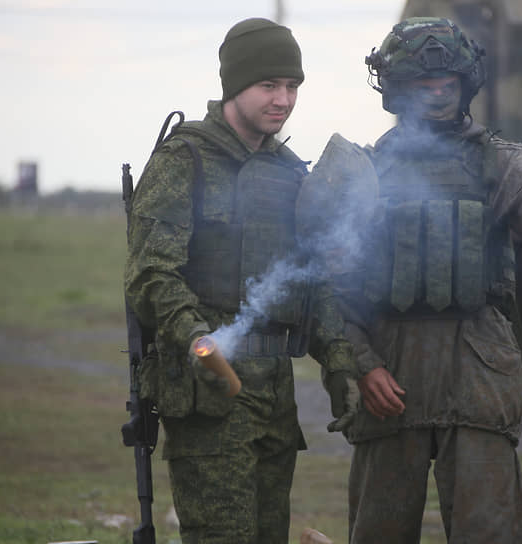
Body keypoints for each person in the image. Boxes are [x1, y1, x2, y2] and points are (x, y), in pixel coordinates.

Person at [312, 17, 522, 543]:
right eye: (423, 85)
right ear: (396, 91)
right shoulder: (363, 172)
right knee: (380, 529)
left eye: (447, 85)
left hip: (477, 371)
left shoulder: (499, 161)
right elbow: (332, 290)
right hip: (390, 372)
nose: (437, 96)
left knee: (491, 530)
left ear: (466, 85)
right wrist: (364, 366)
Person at [123, 17, 357, 544]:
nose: (284, 99)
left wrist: (339, 361)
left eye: (293, 86)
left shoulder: (291, 172)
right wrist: (198, 342)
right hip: (212, 397)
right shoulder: (185, 159)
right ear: (234, 86)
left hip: (275, 398)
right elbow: (149, 273)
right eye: (269, 85)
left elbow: (311, 278)